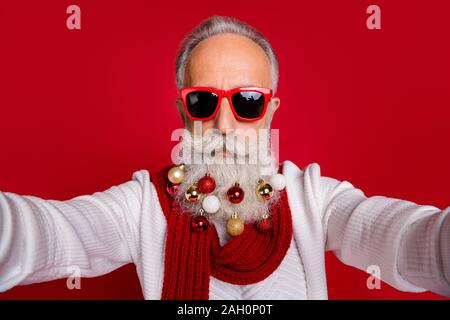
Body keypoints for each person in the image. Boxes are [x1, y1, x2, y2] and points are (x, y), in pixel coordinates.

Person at [0, 15, 449, 300]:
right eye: (202, 103)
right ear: (183, 111)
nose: (225, 126)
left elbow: (408, 240)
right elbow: (53, 235)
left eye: (248, 101)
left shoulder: (314, 200)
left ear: (271, 111)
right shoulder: (144, 205)